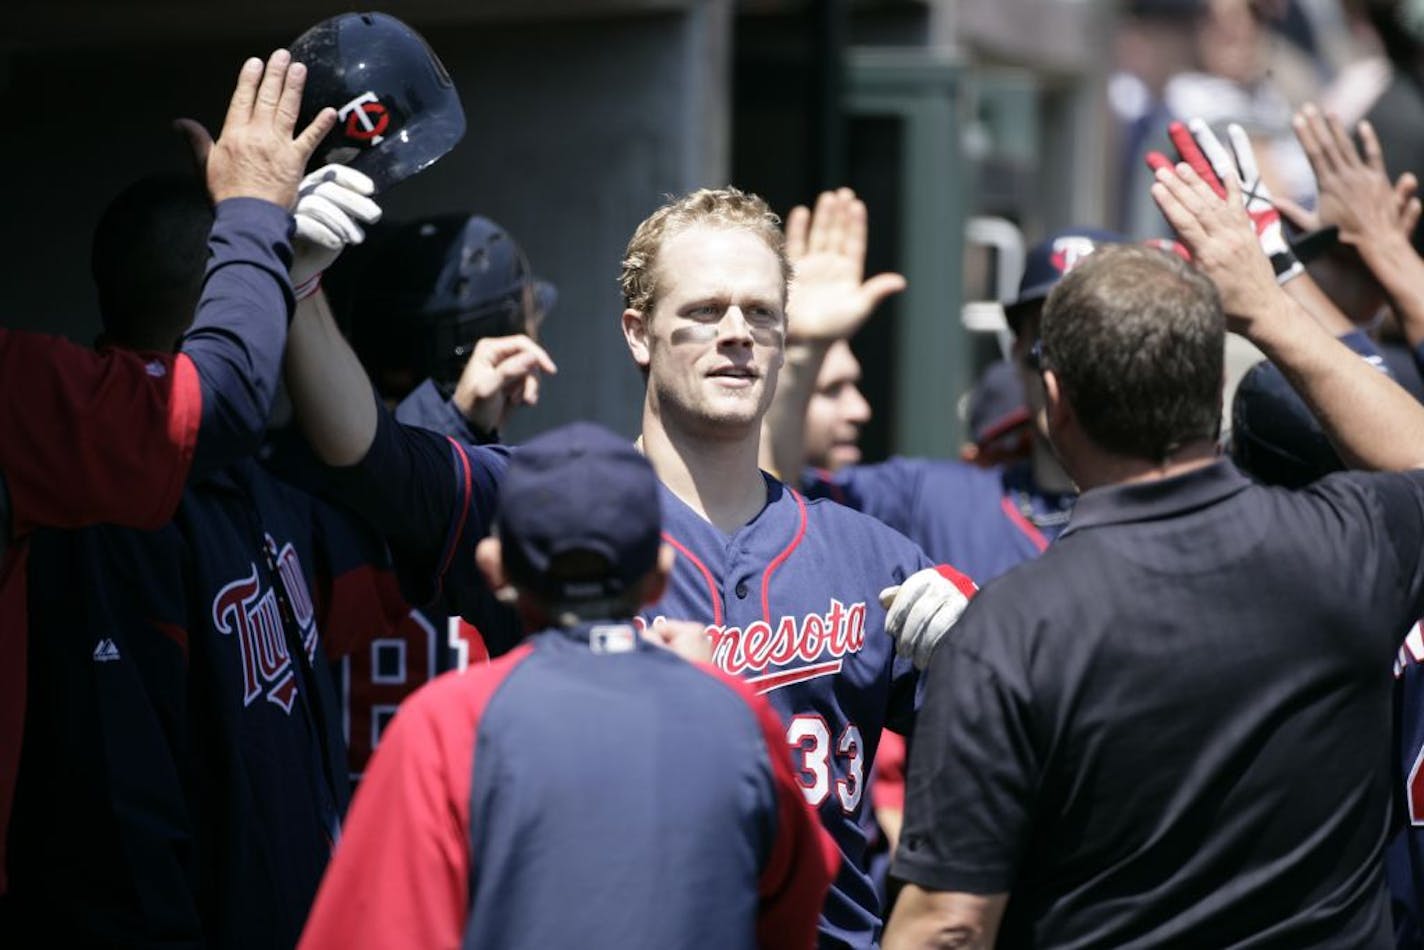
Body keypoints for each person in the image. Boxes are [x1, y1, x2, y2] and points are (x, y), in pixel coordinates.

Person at [279, 183, 975, 948]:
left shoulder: (870, 555)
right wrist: (300, 283)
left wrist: (985, 636)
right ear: (638, 334)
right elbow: (368, 457)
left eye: (761, 314)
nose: (737, 333)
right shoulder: (555, 512)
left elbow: (1028, 749)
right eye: (705, 311)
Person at [882, 136, 1424, 947]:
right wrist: (1270, 303)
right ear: (1212, 384)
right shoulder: (1352, 544)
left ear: (1054, 401)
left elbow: (947, 928)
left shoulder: (1005, 631)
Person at [5, 160, 401, 948]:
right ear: (221, 309)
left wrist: (457, 419)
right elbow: (115, 834)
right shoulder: (101, 517)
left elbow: (381, 561)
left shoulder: (252, 483)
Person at [297, 422, 838, 950]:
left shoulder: (447, 723)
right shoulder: (733, 715)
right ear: (659, 575)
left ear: (495, 568)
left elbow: (376, 929)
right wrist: (707, 694)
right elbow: (795, 909)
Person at [0, 48, 334, 900]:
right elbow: (120, 807)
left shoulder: (268, 484)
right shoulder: (101, 500)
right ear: (220, 300)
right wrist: (254, 219)